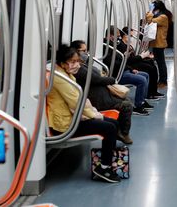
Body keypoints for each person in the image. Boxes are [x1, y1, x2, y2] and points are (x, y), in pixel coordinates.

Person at [47, 46, 121, 183]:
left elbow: (78, 100)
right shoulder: (59, 78)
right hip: (66, 125)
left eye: (77, 61)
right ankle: (104, 168)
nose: (76, 64)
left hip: (73, 117)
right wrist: (94, 115)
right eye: (73, 61)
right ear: (63, 63)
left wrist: (93, 113)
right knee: (109, 128)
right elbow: (76, 103)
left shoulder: (65, 74)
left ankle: (110, 159)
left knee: (113, 123)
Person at [70, 40, 134, 144]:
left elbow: (97, 76)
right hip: (97, 100)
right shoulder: (78, 69)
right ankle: (123, 133)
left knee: (126, 100)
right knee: (127, 105)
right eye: (84, 51)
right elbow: (97, 79)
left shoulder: (82, 64)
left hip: (102, 96)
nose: (86, 53)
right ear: (76, 52)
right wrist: (112, 79)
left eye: (87, 50)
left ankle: (121, 131)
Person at [103, 26, 151, 116]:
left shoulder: (115, 45)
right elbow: (112, 63)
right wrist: (124, 58)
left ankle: (142, 101)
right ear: (110, 36)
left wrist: (131, 69)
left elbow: (122, 61)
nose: (118, 38)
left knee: (145, 75)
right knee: (142, 80)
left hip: (124, 70)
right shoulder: (106, 47)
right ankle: (138, 106)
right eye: (117, 36)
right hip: (118, 74)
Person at [120, 27, 164, 100]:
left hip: (133, 62)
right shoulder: (122, 46)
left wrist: (143, 56)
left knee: (151, 64)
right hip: (130, 65)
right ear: (125, 36)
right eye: (130, 36)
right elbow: (128, 60)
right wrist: (141, 56)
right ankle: (150, 93)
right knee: (149, 68)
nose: (132, 38)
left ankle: (153, 91)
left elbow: (132, 56)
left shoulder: (128, 45)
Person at [146, 0, 169, 89]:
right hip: (155, 43)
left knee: (161, 63)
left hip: (159, 43)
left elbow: (149, 21)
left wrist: (150, 12)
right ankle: (161, 80)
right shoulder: (158, 15)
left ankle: (163, 81)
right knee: (159, 62)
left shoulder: (163, 17)